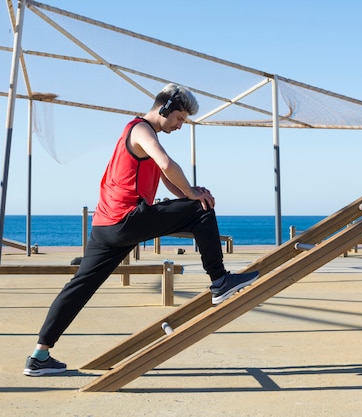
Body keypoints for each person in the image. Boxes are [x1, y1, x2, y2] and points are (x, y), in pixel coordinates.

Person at [23, 83, 259, 376]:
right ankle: (219, 280)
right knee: (202, 209)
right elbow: (166, 163)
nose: (180, 125)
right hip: (126, 220)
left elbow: (166, 177)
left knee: (79, 287)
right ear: (165, 108)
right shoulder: (141, 130)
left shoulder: (140, 135)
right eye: (180, 118)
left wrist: (189, 191)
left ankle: (39, 356)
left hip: (104, 225)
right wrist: (195, 197)